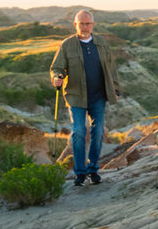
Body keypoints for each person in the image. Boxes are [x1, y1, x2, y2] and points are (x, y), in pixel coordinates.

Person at [50, 10, 121, 186]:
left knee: (98, 132)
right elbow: (57, 67)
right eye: (81, 23)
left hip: (98, 96)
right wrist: (57, 77)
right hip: (75, 96)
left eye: (88, 23)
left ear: (93, 25)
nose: (84, 27)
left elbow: (111, 68)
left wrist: (116, 89)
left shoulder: (102, 44)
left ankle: (93, 170)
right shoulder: (67, 45)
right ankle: (80, 173)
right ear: (75, 25)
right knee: (79, 131)